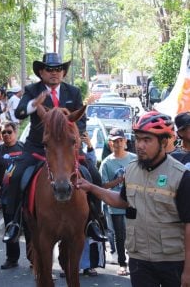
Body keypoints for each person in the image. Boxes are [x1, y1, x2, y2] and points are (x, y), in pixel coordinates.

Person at [76, 111, 190, 287]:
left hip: (172, 262)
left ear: (164, 142)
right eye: (138, 139)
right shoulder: (131, 170)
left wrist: (188, 272)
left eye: (147, 140)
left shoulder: (181, 176)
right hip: (139, 260)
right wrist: (91, 188)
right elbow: (122, 201)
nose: (140, 145)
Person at [4, 53, 86, 233]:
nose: (54, 73)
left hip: (66, 149)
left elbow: (81, 122)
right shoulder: (32, 90)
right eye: (49, 69)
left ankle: (95, 220)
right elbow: (19, 113)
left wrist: (74, 138)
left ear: (63, 72)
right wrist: (35, 103)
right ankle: (14, 222)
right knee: (16, 176)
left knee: (93, 173)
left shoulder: (73, 92)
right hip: (38, 148)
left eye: (58, 69)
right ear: (41, 72)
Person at [99, 128, 137, 276]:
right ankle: (122, 264)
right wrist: (119, 180)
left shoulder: (134, 159)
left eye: (120, 140)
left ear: (125, 141)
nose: (118, 144)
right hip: (115, 205)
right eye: (115, 141)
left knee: (134, 234)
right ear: (110, 143)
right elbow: (103, 186)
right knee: (119, 236)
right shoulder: (107, 163)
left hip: (133, 202)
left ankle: (135, 263)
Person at [0, 121, 25, 269]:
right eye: (3, 132)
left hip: (25, 195)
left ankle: (34, 258)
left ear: (15, 132)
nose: (6, 135)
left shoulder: (24, 148)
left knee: (30, 228)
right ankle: (12, 259)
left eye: (9, 132)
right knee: (10, 227)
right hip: (7, 197)